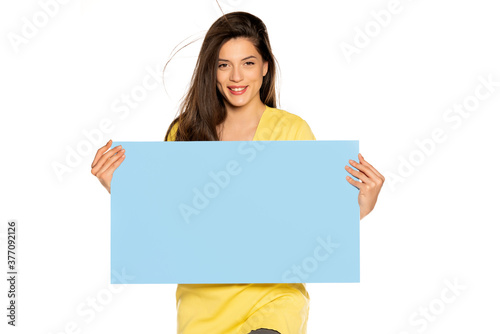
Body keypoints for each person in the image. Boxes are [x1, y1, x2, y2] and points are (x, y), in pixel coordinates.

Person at [91, 10, 384, 334]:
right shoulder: (186, 132)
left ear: (265, 67)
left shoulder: (291, 131)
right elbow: (166, 222)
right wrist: (122, 189)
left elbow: (309, 223)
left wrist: (358, 208)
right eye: (223, 64)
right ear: (211, 71)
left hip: (273, 300)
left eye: (247, 62)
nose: (236, 77)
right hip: (201, 306)